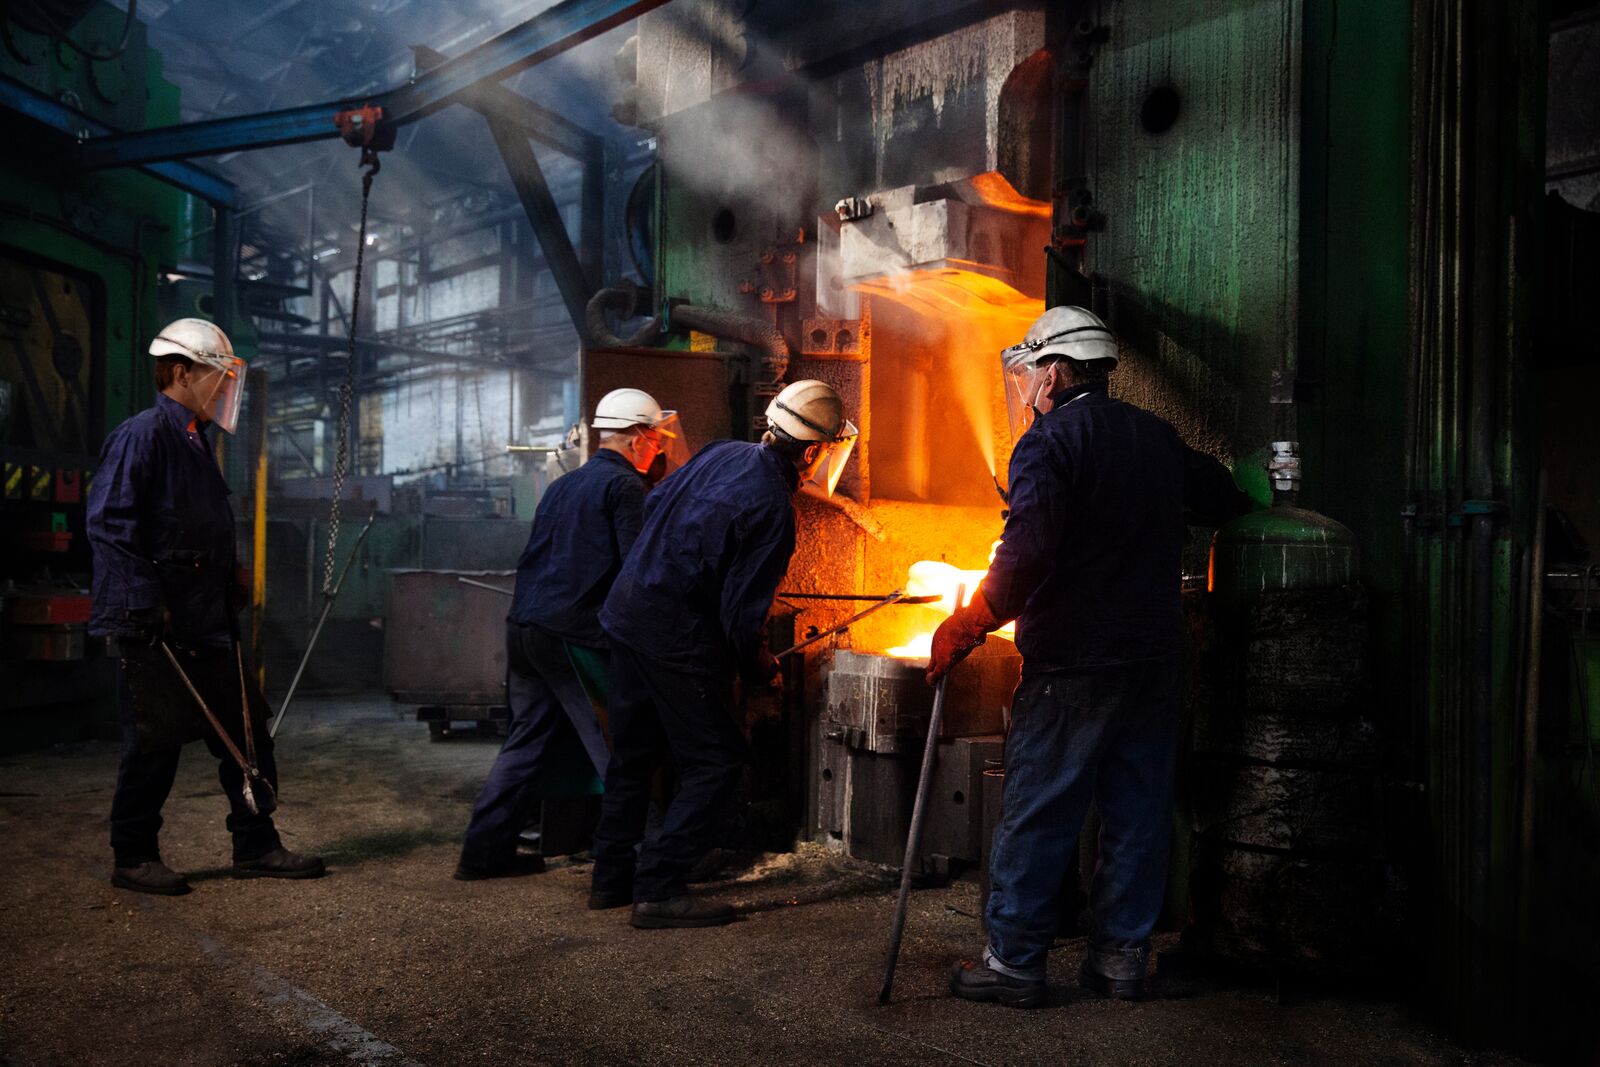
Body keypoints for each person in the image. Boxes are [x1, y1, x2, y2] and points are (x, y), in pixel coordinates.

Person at [934, 306, 1250, 1006]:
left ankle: (1014, 960)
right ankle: (1120, 960)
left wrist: (970, 622)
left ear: (1054, 370)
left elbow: (1025, 558)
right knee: (1136, 808)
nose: (1028, 387)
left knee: (1041, 806)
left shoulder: (1048, 446)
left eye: (1030, 372)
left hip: (1074, 659)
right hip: (1152, 659)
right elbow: (1228, 499)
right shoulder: (1156, 437)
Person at [590, 380, 857, 929]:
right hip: (672, 636)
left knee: (634, 754)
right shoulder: (773, 510)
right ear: (812, 450)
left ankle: (610, 880)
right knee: (716, 760)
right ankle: (660, 888)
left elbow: (659, 501)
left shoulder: (722, 453)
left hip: (628, 614)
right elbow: (741, 617)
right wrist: (761, 669)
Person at [88, 318, 323, 896]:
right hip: (159, 623)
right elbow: (110, 526)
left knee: (247, 733)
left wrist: (231, 573)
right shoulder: (144, 435)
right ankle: (133, 855)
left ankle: (256, 844)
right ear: (178, 371)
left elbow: (196, 525)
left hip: (204, 617)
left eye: (225, 377)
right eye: (213, 376)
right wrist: (143, 599)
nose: (221, 387)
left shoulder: (197, 437)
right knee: (155, 740)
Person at [454, 388, 680, 880]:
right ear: (637, 438)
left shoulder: (564, 484)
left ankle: (482, 853)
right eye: (657, 438)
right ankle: (654, 860)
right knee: (618, 750)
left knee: (524, 744)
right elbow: (635, 571)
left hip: (525, 630)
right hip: (571, 639)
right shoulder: (623, 489)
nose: (660, 447)